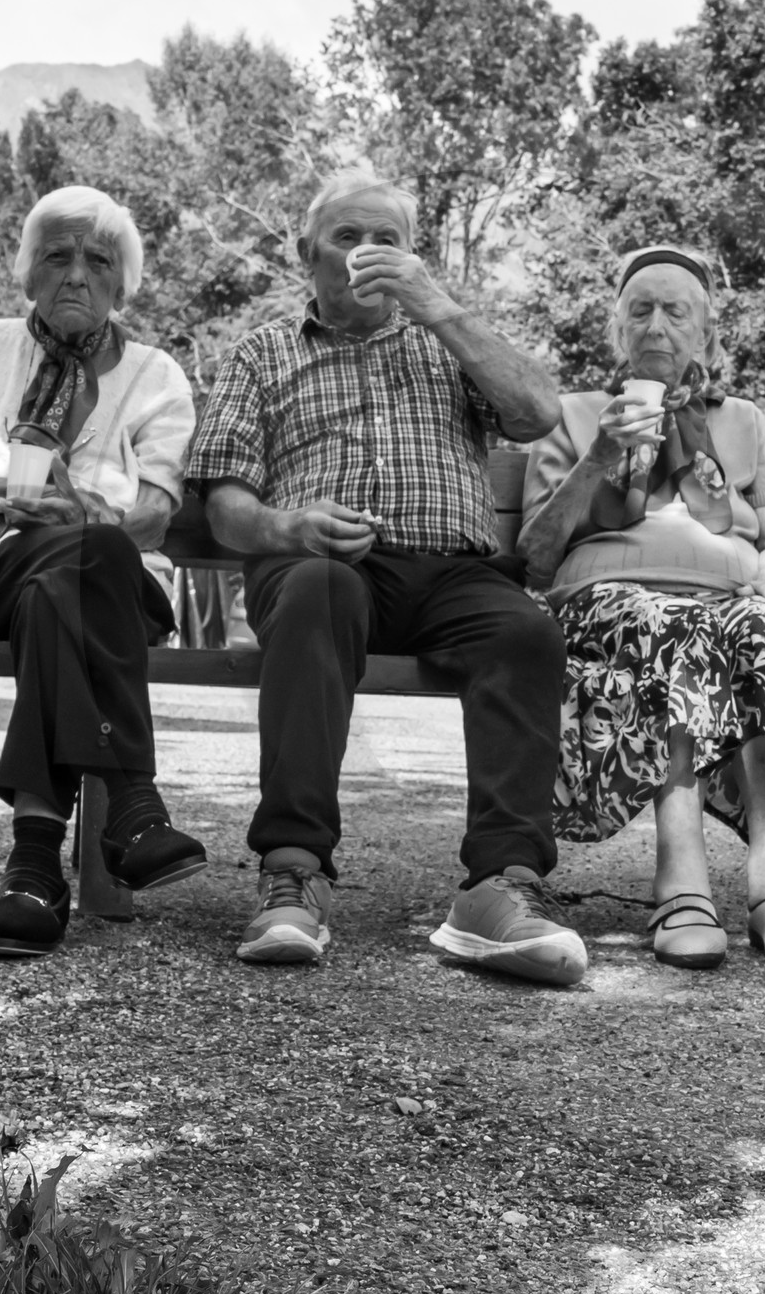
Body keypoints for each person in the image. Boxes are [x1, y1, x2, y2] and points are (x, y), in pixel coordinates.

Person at [187, 167, 587, 985]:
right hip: (320, 567)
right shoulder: (264, 351)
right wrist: (286, 526)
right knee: (316, 590)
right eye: (347, 236)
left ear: (414, 256)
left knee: (525, 630)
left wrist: (439, 309)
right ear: (308, 256)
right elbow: (226, 509)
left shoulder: (449, 343)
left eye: (388, 240)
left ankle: (500, 889)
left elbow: (538, 413)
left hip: (453, 572)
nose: (368, 253)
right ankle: (290, 873)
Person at [0, 186, 207, 957]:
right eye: (57, 257)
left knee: (85, 560)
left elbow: (156, 515)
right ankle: (133, 805)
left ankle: (34, 866)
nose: (77, 275)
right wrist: (15, 492)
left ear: (121, 284)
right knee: (70, 562)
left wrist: (87, 513)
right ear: (28, 274)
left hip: (115, 584)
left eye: (98, 261)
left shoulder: (156, 373)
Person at [520, 247, 765, 972]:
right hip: (608, 607)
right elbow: (536, 554)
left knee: (761, 627)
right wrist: (599, 456)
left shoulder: (744, 420)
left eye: (676, 310)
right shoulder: (571, 415)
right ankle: (682, 872)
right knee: (672, 625)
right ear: (616, 330)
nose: (656, 324)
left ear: (707, 335)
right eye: (640, 309)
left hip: (730, 597)